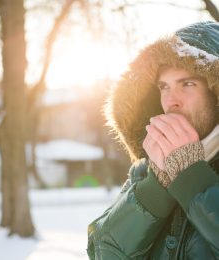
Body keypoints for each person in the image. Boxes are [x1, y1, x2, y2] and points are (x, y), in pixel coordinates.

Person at [87, 21, 219, 259]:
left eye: (187, 84)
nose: (171, 101)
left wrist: (192, 177)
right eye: (164, 87)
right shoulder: (146, 170)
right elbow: (102, 252)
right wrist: (156, 187)